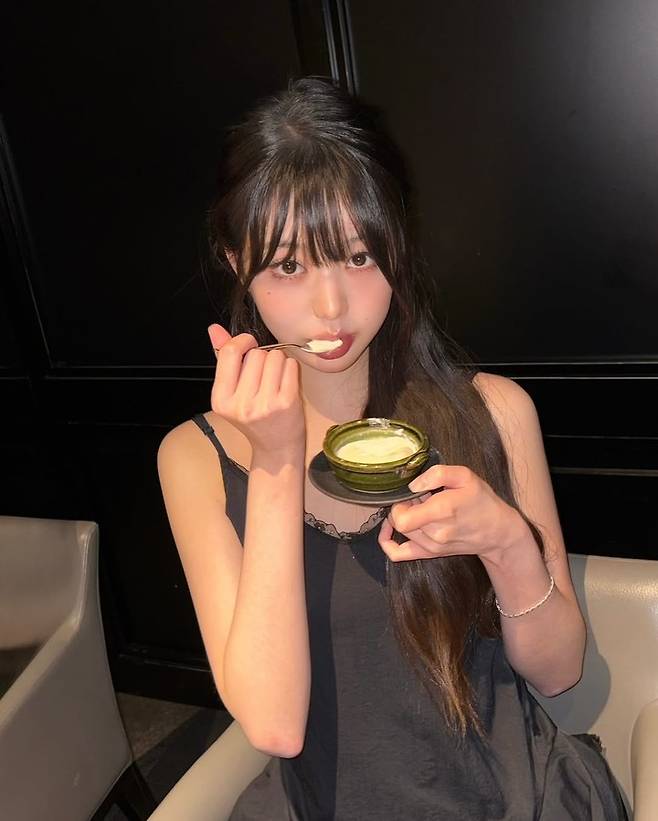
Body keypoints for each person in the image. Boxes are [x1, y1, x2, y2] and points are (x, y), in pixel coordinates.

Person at [157, 76, 627, 820]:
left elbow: (560, 671)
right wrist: (275, 460)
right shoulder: (194, 456)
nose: (331, 307)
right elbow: (274, 725)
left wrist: (506, 542)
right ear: (235, 260)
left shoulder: (495, 412)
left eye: (356, 256)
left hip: (513, 799)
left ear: (396, 246)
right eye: (288, 266)